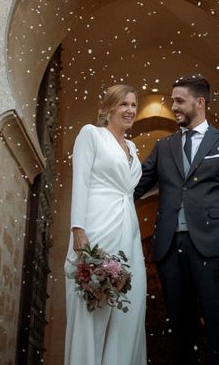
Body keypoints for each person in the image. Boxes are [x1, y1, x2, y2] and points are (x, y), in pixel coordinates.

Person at [134, 74, 219, 364]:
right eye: (173, 100)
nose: (173, 106)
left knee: (218, 321)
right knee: (180, 330)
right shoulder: (163, 148)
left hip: (213, 250)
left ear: (200, 103)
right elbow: (134, 188)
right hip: (170, 249)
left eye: (179, 100)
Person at [64, 84, 147, 365]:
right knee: (94, 305)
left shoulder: (133, 148)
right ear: (108, 108)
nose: (130, 110)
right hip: (98, 225)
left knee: (129, 308)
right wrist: (78, 228)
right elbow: (81, 182)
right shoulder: (92, 135)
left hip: (129, 228)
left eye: (134, 105)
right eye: (124, 104)